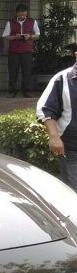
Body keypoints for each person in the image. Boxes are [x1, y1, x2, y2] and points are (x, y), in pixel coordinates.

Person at [36, 44, 77, 191]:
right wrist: (54, 137)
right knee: (73, 191)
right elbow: (45, 110)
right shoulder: (62, 79)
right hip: (72, 147)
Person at [2, 3, 40, 98]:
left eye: (24, 14)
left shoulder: (32, 21)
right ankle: (12, 91)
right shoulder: (10, 22)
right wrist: (15, 37)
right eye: (20, 15)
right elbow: (6, 36)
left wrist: (29, 36)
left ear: (27, 13)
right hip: (14, 52)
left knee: (27, 72)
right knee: (13, 72)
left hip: (27, 51)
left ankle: (26, 91)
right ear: (16, 13)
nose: (22, 16)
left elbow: (37, 35)